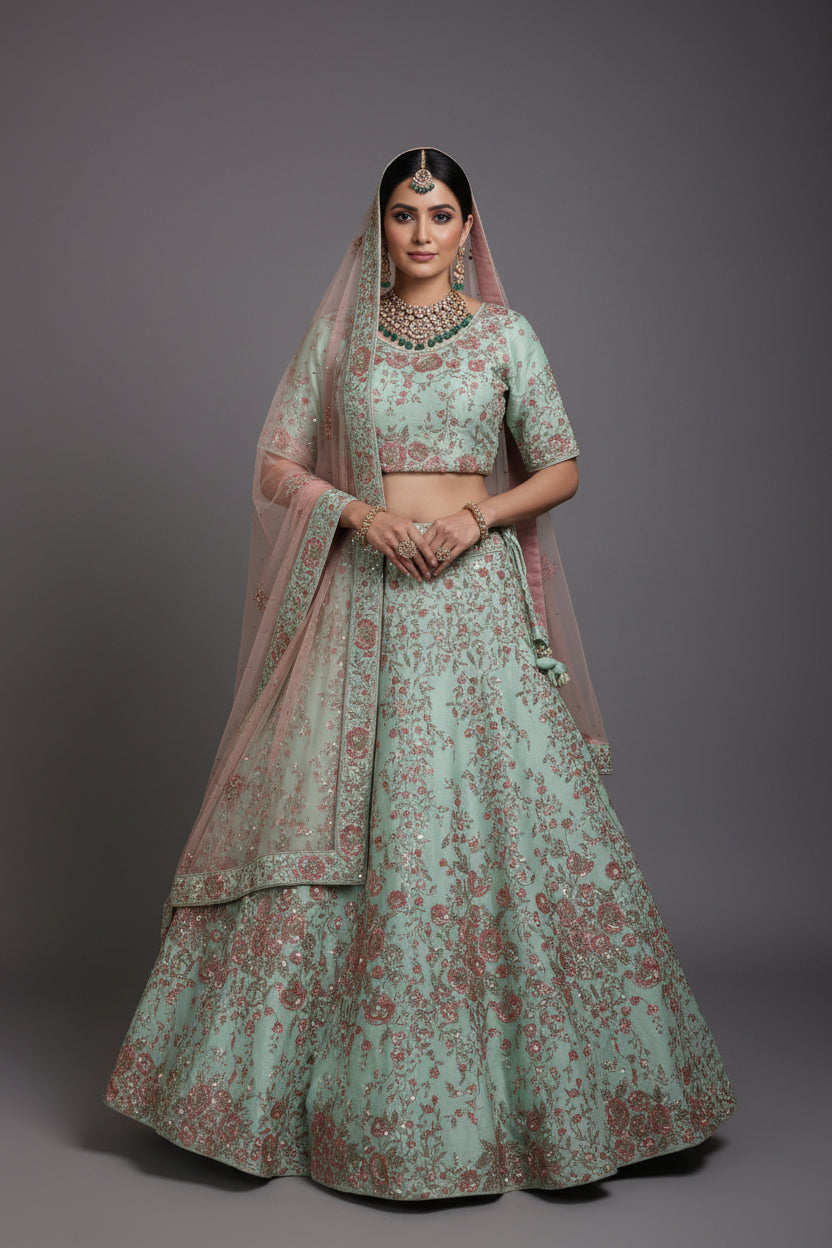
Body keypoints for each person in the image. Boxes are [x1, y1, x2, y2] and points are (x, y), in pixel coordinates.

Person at [104, 147, 736, 1200]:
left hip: (473, 598)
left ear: (470, 226)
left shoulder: (504, 336)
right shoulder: (342, 341)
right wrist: (358, 515)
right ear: (380, 226)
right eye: (404, 213)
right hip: (361, 602)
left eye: (441, 214)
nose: (423, 232)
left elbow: (562, 462)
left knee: (508, 826)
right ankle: (305, 1106)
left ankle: (568, 1102)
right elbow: (275, 461)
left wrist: (476, 518)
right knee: (343, 818)